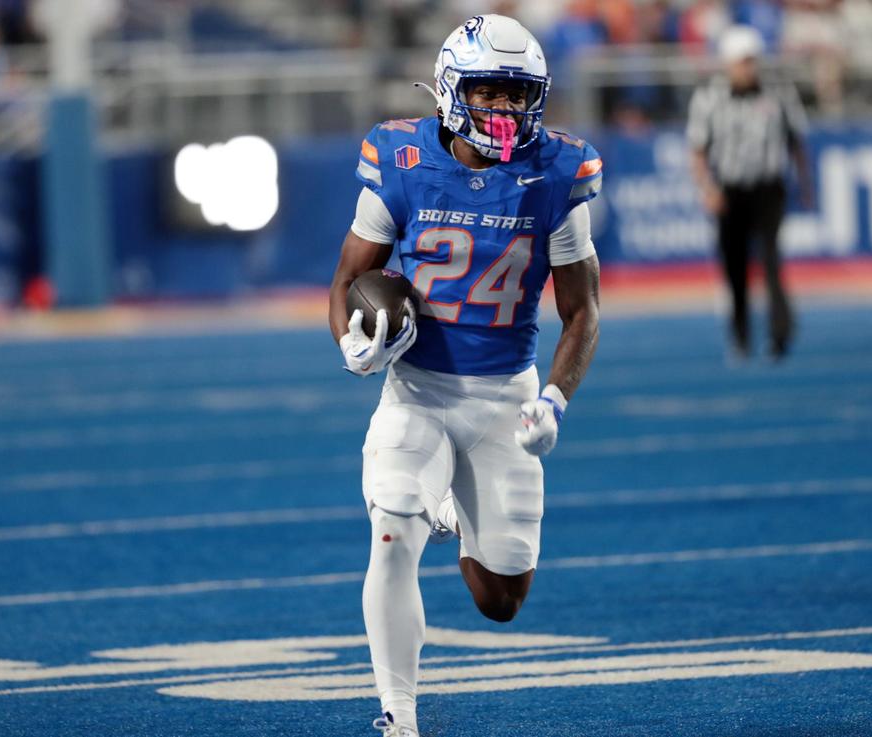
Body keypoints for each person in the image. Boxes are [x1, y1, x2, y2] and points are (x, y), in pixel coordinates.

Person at [327, 14, 602, 737]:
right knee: (392, 531)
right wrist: (351, 343)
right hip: (417, 387)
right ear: (452, 90)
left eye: (519, 96)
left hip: (505, 393)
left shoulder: (557, 172)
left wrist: (554, 398)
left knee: (501, 598)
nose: (506, 111)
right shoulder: (402, 157)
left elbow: (583, 311)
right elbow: (350, 278)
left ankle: (454, 497)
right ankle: (399, 716)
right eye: (490, 92)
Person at [686, 25, 812, 360]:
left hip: (769, 189)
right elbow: (697, 149)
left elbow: (796, 141)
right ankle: (741, 336)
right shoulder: (709, 97)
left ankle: (780, 334)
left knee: (772, 262)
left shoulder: (780, 92)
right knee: (735, 267)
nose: (749, 68)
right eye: (742, 61)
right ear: (728, 63)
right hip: (730, 191)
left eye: (752, 61)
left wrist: (805, 183)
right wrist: (708, 188)